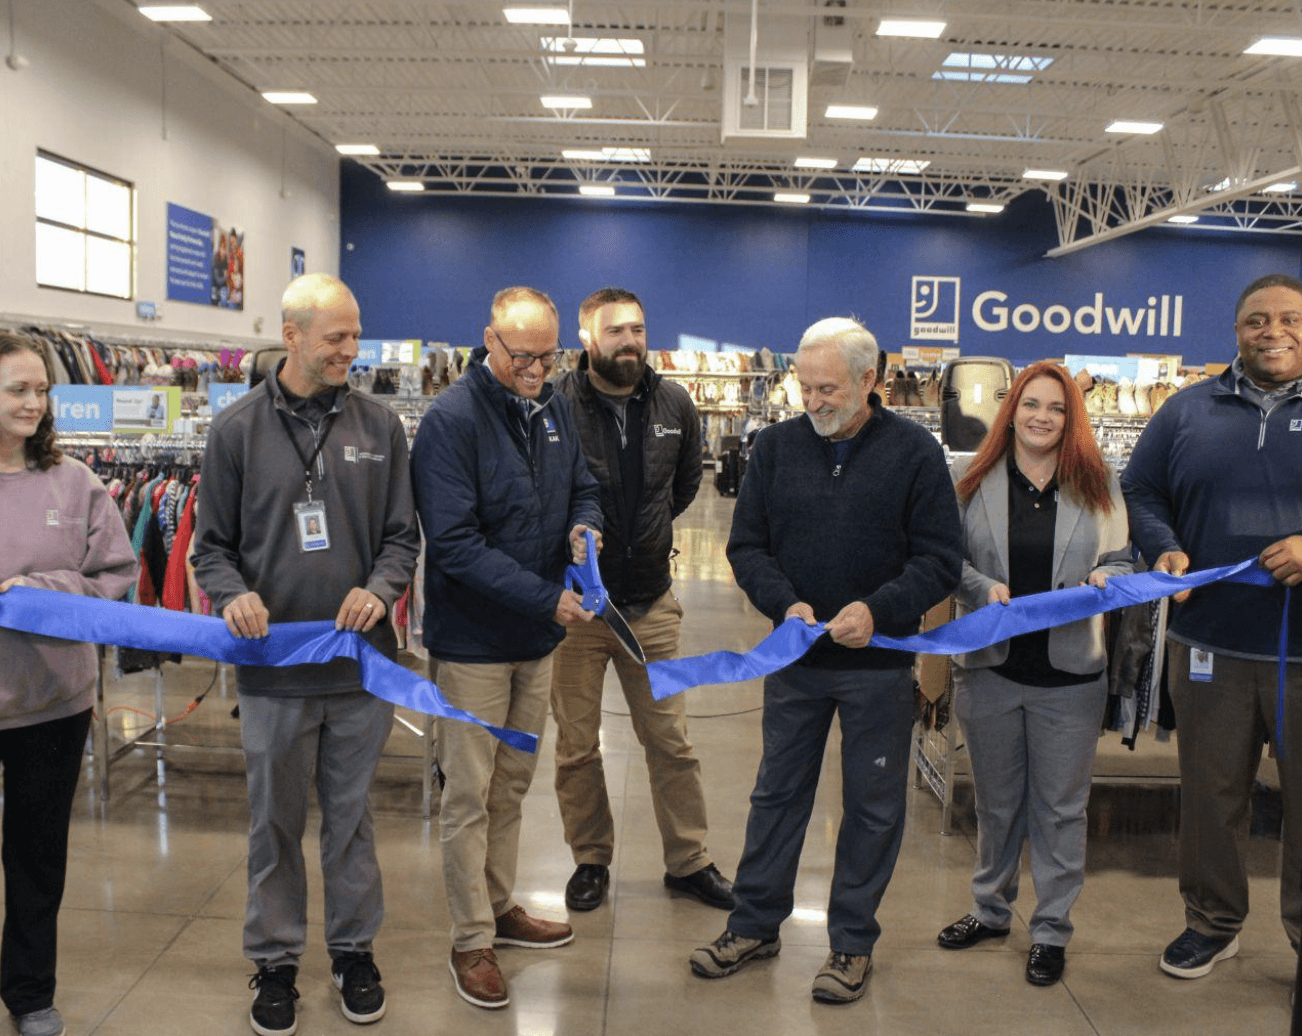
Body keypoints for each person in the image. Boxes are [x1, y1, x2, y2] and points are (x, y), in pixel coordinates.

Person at [689, 317, 962, 1004]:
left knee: (872, 805)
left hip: (879, 666)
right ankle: (753, 925)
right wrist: (784, 604)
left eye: (828, 389)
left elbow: (939, 559)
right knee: (777, 795)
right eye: (804, 387)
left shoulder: (915, 454)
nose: (812, 402)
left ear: (870, 380)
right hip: (797, 662)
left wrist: (879, 609)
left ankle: (851, 943)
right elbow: (747, 547)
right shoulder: (776, 448)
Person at [191, 273, 419, 1036]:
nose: (351, 350)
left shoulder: (380, 426)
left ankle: (354, 952)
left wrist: (381, 589)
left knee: (350, 821)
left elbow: (402, 538)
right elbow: (210, 549)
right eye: (336, 337)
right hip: (273, 672)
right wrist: (231, 595)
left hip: (359, 669)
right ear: (291, 336)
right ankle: (275, 960)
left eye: (356, 335)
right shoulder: (235, 430)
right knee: (275, 826)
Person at [410, 286, 602, 1010]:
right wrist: (544, 597)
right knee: (468, 794)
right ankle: (470, 940)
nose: (537, 370)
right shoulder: (450, 421)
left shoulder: (553, 406)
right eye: (523, 356)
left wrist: (585, 527)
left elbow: (583, 485)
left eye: (549, 356)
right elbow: (454, 544)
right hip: (474, 646)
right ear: (489, 340)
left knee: (512, 786)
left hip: (536, 641)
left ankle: (497, 907)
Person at [1122, 272, 1302, 982]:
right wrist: (1162, 545)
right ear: (1236, 330)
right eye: (1257, 320)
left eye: (1289, 318)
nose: (1273, 332)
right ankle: (1212, 922)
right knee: (1210, 796)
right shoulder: (1186, 409)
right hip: (1208, 646)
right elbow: (1141, 488)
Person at [936, 361, 1132, 987]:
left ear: (1071, 419)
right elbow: (946, 560)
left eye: (1056, 408)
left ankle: (1050, 930)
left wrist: (1107, 578)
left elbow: (1124, 558)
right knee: (996, 804)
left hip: (1071, 679)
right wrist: (980, 587)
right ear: (1011, 409)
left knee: (1061, 811)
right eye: (1031, 404)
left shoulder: (1099, 481)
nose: (1042, 417)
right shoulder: (970, 478)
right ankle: (991, 910)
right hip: (990, 671)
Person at [550, 287, 733, 914]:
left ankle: (689, 860)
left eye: (637, 329)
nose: (630, 342)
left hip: (652, 607)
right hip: (578, 610)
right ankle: (590, 859)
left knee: (670, 741)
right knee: (577, 746)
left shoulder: (674, 403)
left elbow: (682, 488)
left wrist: (643, 538)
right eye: (615, 331)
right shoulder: (556, 405)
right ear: (586, 339)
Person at [0, 333, 136, 1036]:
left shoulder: (76, 482)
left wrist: (42, 590)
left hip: (52, 706)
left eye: (41, 390)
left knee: (36, 857)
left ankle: (29, 994)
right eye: (16, 390)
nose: (33, 403)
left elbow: (116, 575)